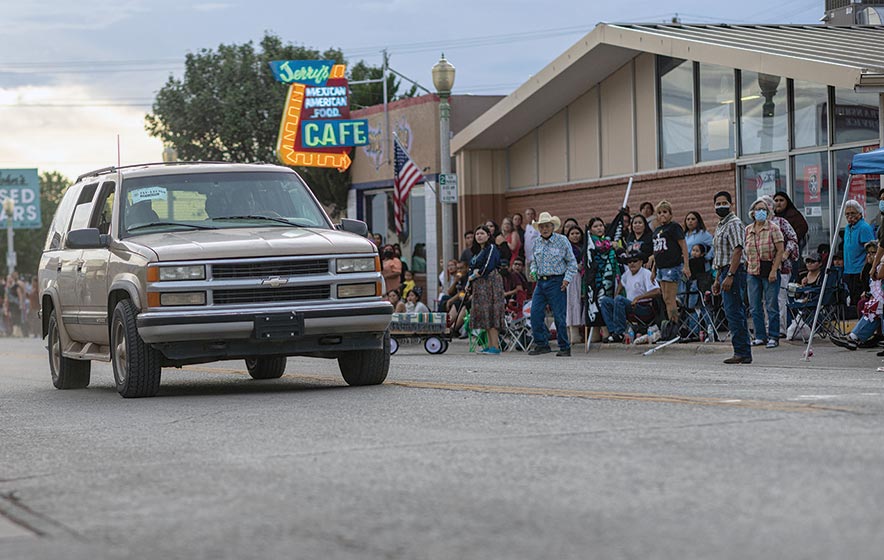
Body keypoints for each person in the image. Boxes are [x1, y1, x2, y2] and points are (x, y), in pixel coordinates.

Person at [528, 212, 578, 357]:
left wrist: (567, 279)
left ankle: (564, 346)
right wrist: (533, 271)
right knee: (535, 314)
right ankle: (542, 344)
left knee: (559, 316)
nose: (544, 229)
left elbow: (572, 262)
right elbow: (534, 263)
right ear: (539, 228)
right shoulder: (536, 242)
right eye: (542, 226)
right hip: (541, 282)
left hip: (557, 281)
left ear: (552, 227)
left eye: (547, 226)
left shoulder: (562, 240)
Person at [712, 191, 752, 364]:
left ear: (731, 204)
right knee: (731, 311)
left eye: (724, 203)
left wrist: (730, 275)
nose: (721, 206)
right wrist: (717, 278)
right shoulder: (721, 225)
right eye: (718, 203)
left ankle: (742, 352)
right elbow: (721, 254)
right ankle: (741, 351)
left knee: (735, 312)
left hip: (734, 271)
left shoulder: (734, 223)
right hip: (724, 271)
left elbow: (737, 250)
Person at [745, 197, 785, 349]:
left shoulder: (773, 228)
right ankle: (760, 335)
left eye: (763, 209)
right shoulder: (748, 230)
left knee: (771, 305)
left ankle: (773, 336)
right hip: (753, 271)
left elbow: (780, 250)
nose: (760, 212)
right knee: (755, 306)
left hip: (769, 270)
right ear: (752, 212)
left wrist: (774, 270)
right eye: (758, 209)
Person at [598, 251, 661, 342]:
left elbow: (657, 291)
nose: (632, 264)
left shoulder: (646, 273)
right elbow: (621, 284)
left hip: (644, 307)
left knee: (619, 299)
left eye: (635, 261)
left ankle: (620, 332)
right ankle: (613, 332)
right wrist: (616, 294)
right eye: (629, 262)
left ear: (641, 262)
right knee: (605, 301)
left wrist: (638, 298)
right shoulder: (626, 274)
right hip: (629, 306)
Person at [469, 225, 506, 355]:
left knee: (492, 312)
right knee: (485, 314)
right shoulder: (477, 251)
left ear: (488, 235)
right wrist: (470, 278)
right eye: (477, 233)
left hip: (490, 283)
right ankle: (490, 345)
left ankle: (495, 346)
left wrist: (474, 275)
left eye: (482, 233)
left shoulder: (491, 248)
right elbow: (471, 267)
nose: (479, 236)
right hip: (480, 285)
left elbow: (488, 266)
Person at [651, 201, 689, 323]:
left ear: (671, 214)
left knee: (670, 297)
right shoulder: (656, 231)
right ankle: (671, 323)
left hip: (672, 266)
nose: (662, 215)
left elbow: (683, 246)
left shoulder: (674, 227)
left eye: (665, 212)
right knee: (665, 298)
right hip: (661, 268)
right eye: (659, 212)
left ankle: (674, 323)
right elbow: (657, 252)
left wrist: (686, 266)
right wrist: (653, 270)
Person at [586, 217, 621, 341]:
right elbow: (600, 248)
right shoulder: (591, 242)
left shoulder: (606, 240)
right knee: (600, 304)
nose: (599, 228)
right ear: (590, 230)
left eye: (601, 225)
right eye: (595, 226)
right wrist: (611, 244)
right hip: (598, 280)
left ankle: (613, 331)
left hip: (611, 278)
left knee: (610, 303)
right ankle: (606, 332)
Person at [841, 200, 875, 312]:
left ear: (860, 214)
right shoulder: (847, 228)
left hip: (859, 271)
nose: (850, 217)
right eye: (847, 214)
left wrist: (865, 269)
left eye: (852, 213)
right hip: (848, 270)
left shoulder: (864, 228)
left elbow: (870, 251)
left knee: (859, 302)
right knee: (850, 301)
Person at [565, 226, 585, 344]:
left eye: (577, 233)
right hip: (571, 278)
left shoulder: (584, 247)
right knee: (572, 302)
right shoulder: (565, 248)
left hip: (581, 277)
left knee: (580, 301)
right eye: (572, 233)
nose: (575, 235)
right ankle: (573, 334)